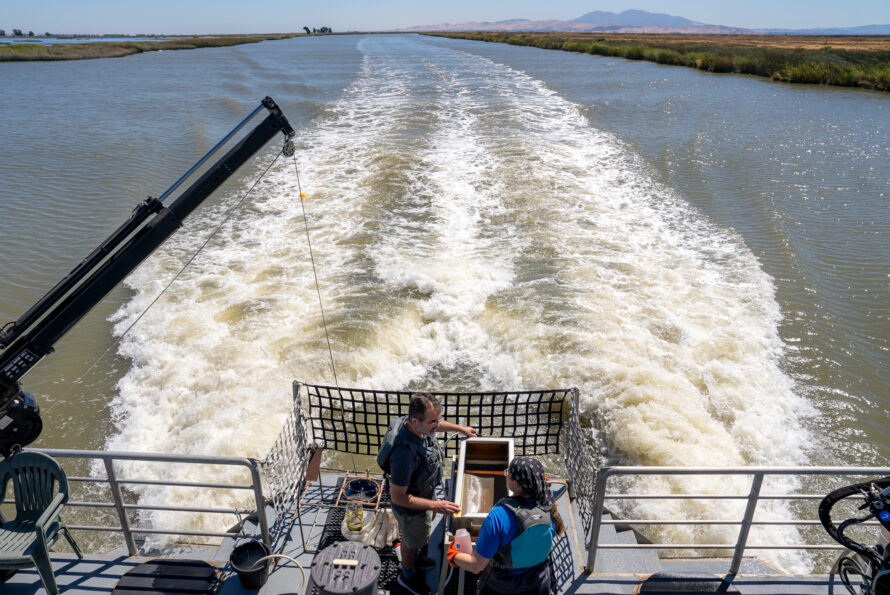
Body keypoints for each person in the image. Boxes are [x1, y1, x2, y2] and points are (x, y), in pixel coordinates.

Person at [389, 393, 477, 595]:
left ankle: (417, 557)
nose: (437, 425)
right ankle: (407, 574)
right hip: (410, 509)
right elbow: (398, 497)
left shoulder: (418, 425)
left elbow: (437, 423)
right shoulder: (403, 453)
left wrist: (460, 429)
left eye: (439, 419)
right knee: (411, 543)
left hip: (425, 494)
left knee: (419, 536)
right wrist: (437, 505)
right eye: (433, 422)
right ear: (415, 421)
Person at [447, 456, 567, 595]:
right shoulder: (549, 507)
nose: (506, 477)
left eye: (508, 475)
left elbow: (476, 566)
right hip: (538, 582)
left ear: (515, 484)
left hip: (503, 586)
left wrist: (453, 555)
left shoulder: (498, 516)